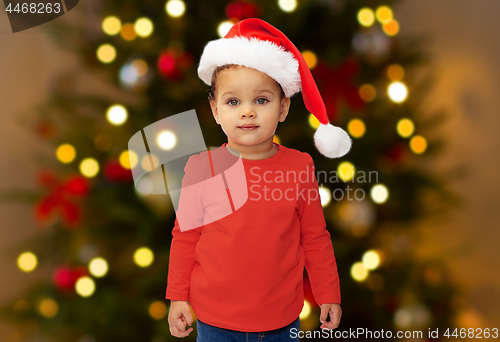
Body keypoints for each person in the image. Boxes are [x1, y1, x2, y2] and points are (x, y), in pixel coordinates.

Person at [166, 18, 352, 341]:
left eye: (261, 100)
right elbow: (185, 236)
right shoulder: (201, 167)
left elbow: (315, 238)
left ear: (283, 108)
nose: (247, 112)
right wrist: (177, 295)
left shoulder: (299, 167)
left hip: (281, 321)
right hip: (215, 322)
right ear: (215, 110)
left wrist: (328, 293)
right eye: (233, 101)